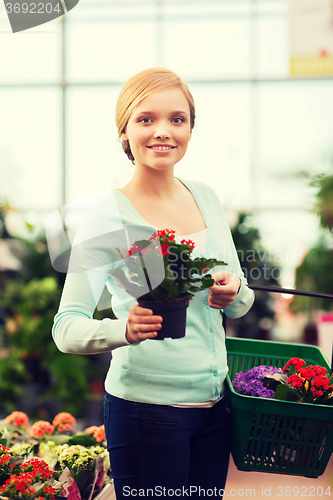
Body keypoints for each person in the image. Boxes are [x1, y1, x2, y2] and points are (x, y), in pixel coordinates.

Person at [52, 67, 255, 499]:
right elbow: (65, 326)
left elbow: (241, 302)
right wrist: (120, 331)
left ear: (190, 129)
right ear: (124, 131)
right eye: (146, 119)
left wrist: (233, 289)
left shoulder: (206, 198)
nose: (163, 131)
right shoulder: (108, 218)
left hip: (215, 409)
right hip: (146, 412)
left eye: (177, 120)